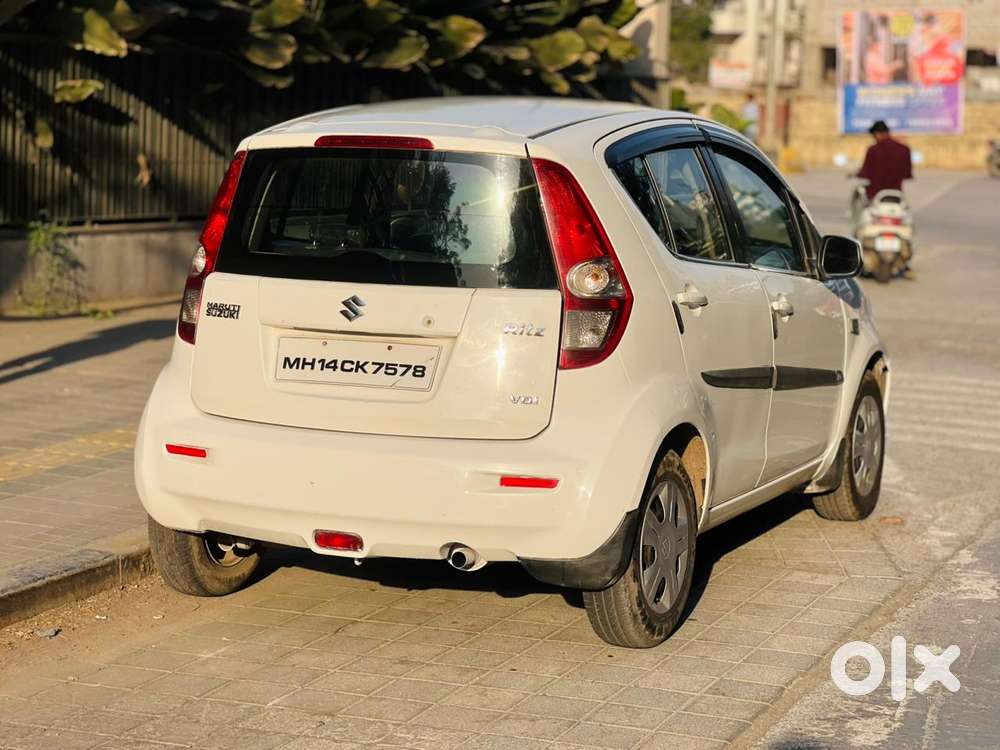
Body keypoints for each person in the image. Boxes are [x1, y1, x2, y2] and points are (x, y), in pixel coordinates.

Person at [857, 120, 912, 201]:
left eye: (874, 135)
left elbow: (865, 172)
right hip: (896, 195)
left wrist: (858, 173)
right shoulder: (904, 149)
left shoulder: (873, 150)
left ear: (877, 134)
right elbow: (907, 174)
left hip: (875, 195)